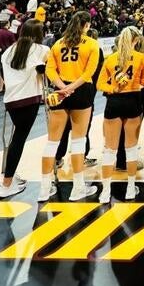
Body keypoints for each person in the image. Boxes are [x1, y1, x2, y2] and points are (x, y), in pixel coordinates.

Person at [41, 13, 101, 202]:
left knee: (52, 142)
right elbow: (89, 72)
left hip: (60, 92)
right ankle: (78, 187)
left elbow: (49, 70)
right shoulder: (92, 43)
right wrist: (71, 88)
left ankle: (44, 188)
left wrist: (61, 87)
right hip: (81, 90)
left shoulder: (58, 44)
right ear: (86, 25)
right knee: (78, 141)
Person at [0, 19, 49, 199]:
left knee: (15, 138)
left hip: (11, 100)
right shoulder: (41, 50)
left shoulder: (8, 52)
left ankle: (6, 175)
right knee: (19, 139)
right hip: (29, 100)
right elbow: (47, 71)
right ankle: (6, 184)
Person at [96, 26, 144, 203]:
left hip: (114, 101)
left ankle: (105, 191)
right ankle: (131, 188)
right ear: (135, 41)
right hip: (133, 101)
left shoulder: (110, 59)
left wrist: (114, 88)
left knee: (109, 150)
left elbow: (100, 84)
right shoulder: (141, 58)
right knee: (131, 148)